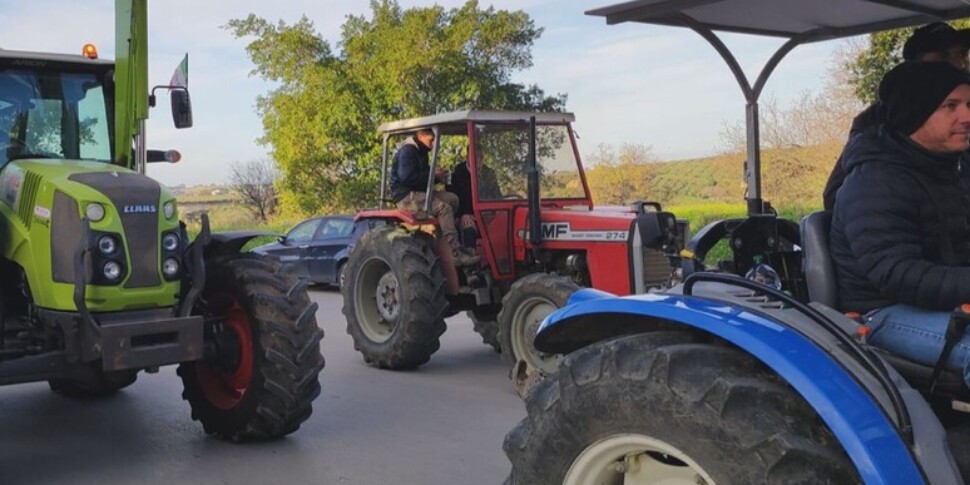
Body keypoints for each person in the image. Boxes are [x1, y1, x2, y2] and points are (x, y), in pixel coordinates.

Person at [830, 61, 970, 387]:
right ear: (914, 113)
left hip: (946, 296)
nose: (966, 117)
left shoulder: (955, 166)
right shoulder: (875, 181)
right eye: (950, 106)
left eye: (968, 105)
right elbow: (899, 275)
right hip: (883, 310)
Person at [822, 22, 970, 210]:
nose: (959, 65)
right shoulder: (877, 123)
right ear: (914, 67)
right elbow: (836, 198)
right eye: (943, 57)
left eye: (963, 54)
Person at [390, 128, 479, 266]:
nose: (433, 144)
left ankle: (454, 234)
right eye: (431, 140)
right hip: (406, 195)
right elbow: (407, 178)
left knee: (453, 199)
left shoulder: (422, 152)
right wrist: (433, 175)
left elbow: (423, 178)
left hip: (420, 193)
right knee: (443, 208)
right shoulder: (408, 151)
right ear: (420, 136)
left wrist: (438, 177)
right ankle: (454, 250)